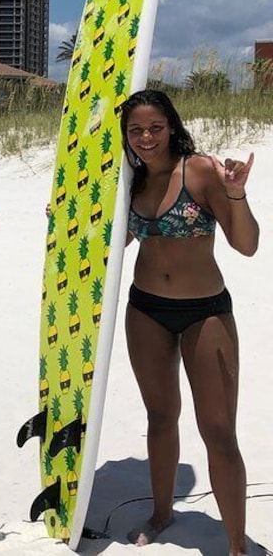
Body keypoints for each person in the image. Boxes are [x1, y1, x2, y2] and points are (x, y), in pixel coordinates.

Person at [120, 89, 258, 555]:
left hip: (205, 312)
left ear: (172, 126)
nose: (145, 138)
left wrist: (236, 194)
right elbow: (112, 246)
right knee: (160, 417)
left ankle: (236, 546)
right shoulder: (129, 180)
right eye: (136, 130)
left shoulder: (198, 171)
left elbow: (247, 244)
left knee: (218, 431)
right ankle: (162, 513)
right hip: (145, 311)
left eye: (155, 127)